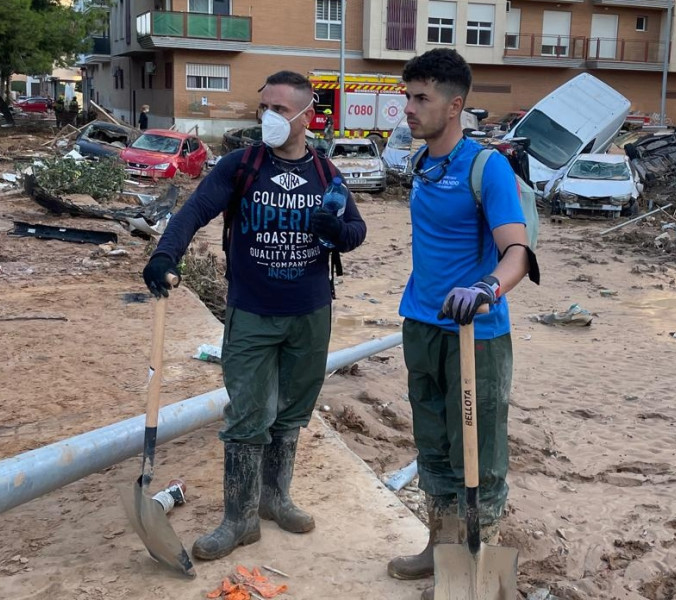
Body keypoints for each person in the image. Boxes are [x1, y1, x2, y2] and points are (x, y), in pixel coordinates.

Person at [142, 70, 367, 561]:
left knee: (290, 415)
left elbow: (355, 231)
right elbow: (194, 210)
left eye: (280, 110)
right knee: (247, 416)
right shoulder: (240, 166)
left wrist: (337, 228)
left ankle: (275, 498)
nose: (268, 117)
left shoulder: (328, 174)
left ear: (307, 117)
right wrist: (165, 255)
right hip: (251, 314)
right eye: (263, 107)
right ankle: (238, 519)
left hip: (310, 313)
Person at [387, 48, 535, 599]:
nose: (409, 107)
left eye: (421, 97)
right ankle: (439, 549)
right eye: (407, 95)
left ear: (455, 105)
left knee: (481, 452)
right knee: (432, 445)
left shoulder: (487, 167)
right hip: (421, 325)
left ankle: (476, 566)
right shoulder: (421, 162)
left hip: (475, 334)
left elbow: (517, 251)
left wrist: (486, 289)